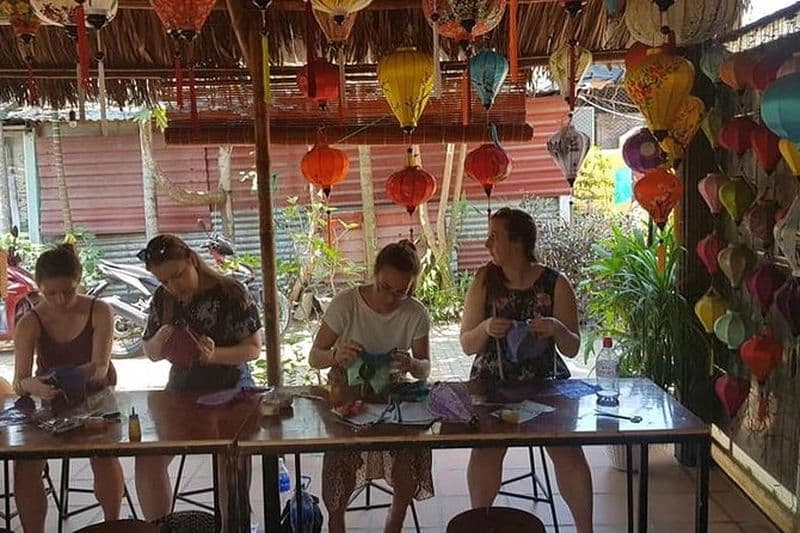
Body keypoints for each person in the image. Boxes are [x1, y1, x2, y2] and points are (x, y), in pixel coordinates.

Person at [459, 207, 594, 533]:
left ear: (517, 242)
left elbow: (572, 347)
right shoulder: (484, 280)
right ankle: (482, 523)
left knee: (568, 453)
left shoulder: (555, 283)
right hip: (493, 382)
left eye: (495, 236)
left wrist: (555, 328)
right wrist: (487, 327)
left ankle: (585, 529)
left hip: (544, 383)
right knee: (486, 451)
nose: (487, 241)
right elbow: (466, 343)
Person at [133, 234, 262, 524]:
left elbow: (253, 349)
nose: (172, 286)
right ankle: (160, 528)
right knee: (148, 457)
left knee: (230, 456)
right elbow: (150, 352)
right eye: (164, 281)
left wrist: (214, 355)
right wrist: (158, 342)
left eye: (177, 276)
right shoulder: (163, 299)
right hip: (181, 392)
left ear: (192, 260)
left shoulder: (231, 292)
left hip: (232, 389)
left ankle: (234, 525)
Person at [309, 240, 432, 533]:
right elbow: (315, 357)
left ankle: (396, 519)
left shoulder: (415, 313)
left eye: (400, 293)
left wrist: (412, 365)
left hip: (393, 396)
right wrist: (335, 356)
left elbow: (425, 368)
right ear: (374, 274)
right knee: (341, 462)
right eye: (384, 287)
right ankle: (336, 523)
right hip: (347, 394)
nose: (390, 298)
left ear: (411, 288)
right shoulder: (346, 303)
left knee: (408, 455)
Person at [12, 244, 124, 533]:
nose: (60, 300)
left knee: (103, 456)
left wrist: (57, 377)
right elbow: (19, 381)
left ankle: (112, 525)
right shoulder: (30, 322)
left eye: (68, 291)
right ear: (39, 288)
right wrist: (34, 385)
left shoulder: (100, 310)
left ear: (79, 282)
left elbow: (99, 368)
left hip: (95, 396)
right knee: (25, 464)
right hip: (50, 402)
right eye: (51, 293)